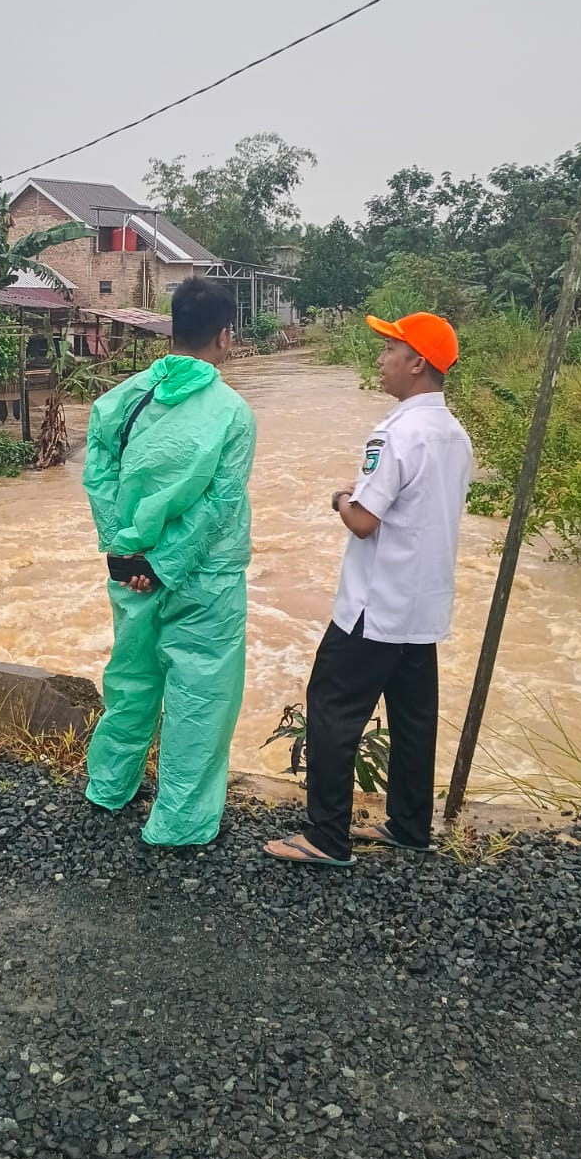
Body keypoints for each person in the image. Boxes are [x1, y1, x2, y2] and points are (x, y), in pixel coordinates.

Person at [265, 312, 472, 869]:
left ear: (417, 362)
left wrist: (340, 498)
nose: (381, 360)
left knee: (332, 708)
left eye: (389, 350)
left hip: (373, 605)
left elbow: (364, 521)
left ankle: (326, 838)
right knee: (412, 716)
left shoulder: (396, 432)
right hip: (422, 602)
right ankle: (409, 825)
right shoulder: (455, 434)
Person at [82, 277, 257, 846]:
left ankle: (109, 785)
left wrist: (124, 548)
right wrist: (169, 563)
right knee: (200, 694)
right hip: (206, 575)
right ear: (226, 336)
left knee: (132, 678)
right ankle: (178, 822)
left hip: (131, 568)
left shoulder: (120, 399)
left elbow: (98, 473)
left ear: (172, 328)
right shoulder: (233, 413)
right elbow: (220, 503)